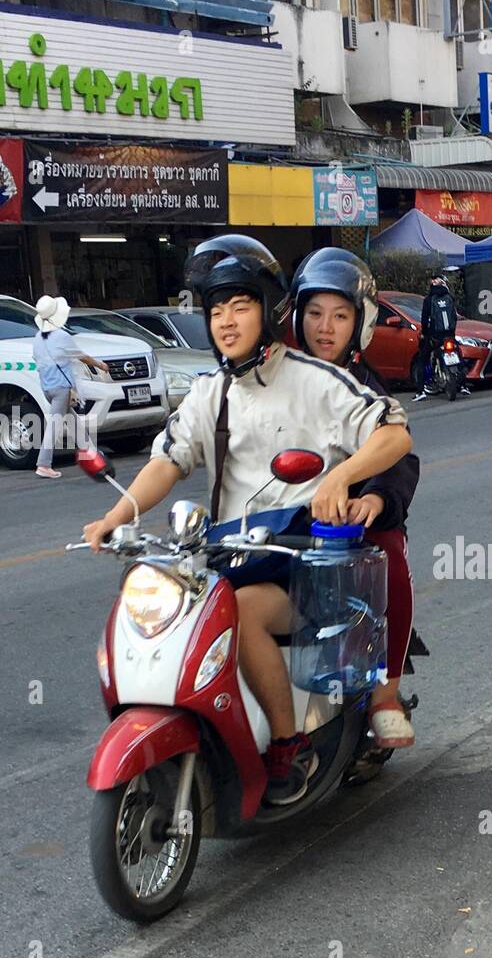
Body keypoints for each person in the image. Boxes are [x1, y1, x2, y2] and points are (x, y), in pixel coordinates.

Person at [81, 235, 413, 806]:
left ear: (265, 310)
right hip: (226, 557)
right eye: (216, 311)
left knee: (243, 612)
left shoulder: (315, 380)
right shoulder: (209, 392)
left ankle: (289, 745)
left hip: (298, 564)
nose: (227, 322)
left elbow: (393, 434)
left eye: (241, 307)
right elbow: (167, 461)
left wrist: (338, 478)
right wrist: (116, 515)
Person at [291, 247, 420, 748]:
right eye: (316, 314)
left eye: (340, 316)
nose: (326, 328)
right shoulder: (275, 382)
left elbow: (400, 457)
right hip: (282, 527)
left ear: (359, 324)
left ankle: (386, 694)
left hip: (351, 530)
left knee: (390, 555)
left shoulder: (368, 391)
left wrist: (373, 501)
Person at [31, 295, 109, 479]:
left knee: (74, 425)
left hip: (48, 388)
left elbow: (37, 361)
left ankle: (92, 455)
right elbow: (82, 356)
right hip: (61, 388)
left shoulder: (37, 338)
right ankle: (43, 464)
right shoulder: (62, 336)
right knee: (55, 425)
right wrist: (100, 365)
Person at [414, 275, 467, 401]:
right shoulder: (449, 298)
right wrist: (451, 333)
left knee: (421, 359)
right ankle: (464, 386)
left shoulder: (429, 300)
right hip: (449, 335)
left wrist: (425, 333)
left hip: (435, 336)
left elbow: (424, 319)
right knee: (458, 356)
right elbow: (454, 316)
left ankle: (420, 392)